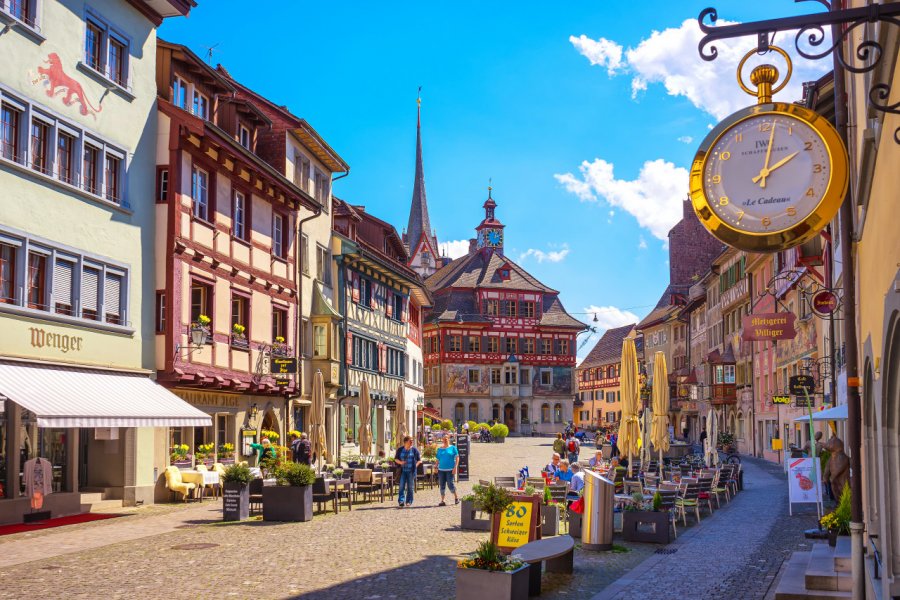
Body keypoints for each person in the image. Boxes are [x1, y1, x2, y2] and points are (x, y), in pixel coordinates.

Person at [394, 436, 422, 508]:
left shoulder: (414, 450)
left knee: (410, 487)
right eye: (410, 441)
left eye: (412, 441)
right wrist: (400, 462)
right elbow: (396, 459)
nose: (412, 442)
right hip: (402, 471)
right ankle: (401, 501)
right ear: (406, 442)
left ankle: (409, 501)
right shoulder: (400, 449)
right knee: (401, 486)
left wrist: (415, 465)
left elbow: (419, 460)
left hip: (411, 471)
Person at [435, 435, 459, 506]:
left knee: (450, 484)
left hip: (450, 470)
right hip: (441, 470)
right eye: (444, 439)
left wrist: (455, 467)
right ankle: (443, 500)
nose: (445, 440)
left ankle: (456, 497)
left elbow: (457, 458)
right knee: (442, 485)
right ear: (442, 440)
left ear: (449, 439)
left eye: (446, 439)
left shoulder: (453, 448)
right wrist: (436, 466)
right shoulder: (439, 449)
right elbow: (437, 459)